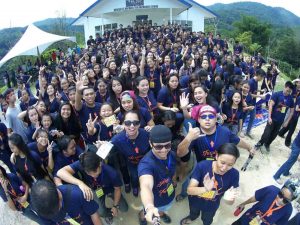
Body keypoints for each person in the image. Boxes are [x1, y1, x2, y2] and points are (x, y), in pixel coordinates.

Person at [176, 104, 254, 201]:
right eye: (203, 116)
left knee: (217, 185)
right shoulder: (194, 134)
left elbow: (238, 141)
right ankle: (184, 194)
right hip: (202, 166)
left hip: (220, 166)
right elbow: (179, 153)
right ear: (199, 119)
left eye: (211, 116)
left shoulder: (225, 132)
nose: (207, 119)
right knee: (191, 181)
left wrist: (249, 147)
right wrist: (188, 138)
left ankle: (214, 197)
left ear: (216, 118)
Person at [57, 151, 128, 224]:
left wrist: (115, 206)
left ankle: (113, 206)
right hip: (97, 190)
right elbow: (60, 172)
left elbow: (117, 189)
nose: (92, 175)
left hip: (111, 189)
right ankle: (109, 214)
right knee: (101, 212)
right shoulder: (84, 163)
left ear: (100, 163)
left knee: (124, 208)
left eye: (95, 171)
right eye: (88, 172)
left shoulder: (112, 173)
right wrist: (80, 183)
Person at [180, 143, 240, 225]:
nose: (224, 168)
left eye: (230, 165)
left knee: (207, 219)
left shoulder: (234, 174)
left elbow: (230, 203)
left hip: (212, 205)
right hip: (195, 200)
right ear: (216, 156)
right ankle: (192, 217)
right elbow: (189, 190)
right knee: (193, 212)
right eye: (222, 162)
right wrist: (205, 189)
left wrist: (229, 199)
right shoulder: (202, 166)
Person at [138, 125, 176, 225]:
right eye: (158, 146)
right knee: (148, 211)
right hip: (155, 201)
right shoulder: (146, 164)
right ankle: (142, 217)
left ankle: (161, 214)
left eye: (167, 145)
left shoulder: (171, 154)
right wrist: (150, 207)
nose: (163, 150)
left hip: (169, 194)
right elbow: (146, 185)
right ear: (151, 144)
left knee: (162, 209)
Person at [30, 179, 103, 225]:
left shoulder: (78, 194)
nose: (57, 213)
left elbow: (94, 214)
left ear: (59, 194)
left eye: (57, 208)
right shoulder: (40, 206)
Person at [232, 178, 300, 225]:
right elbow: (255, 198)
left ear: (291, 201)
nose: (280, 200)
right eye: (280, 194)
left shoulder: (288, 210)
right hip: (246, 219)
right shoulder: (271, 190)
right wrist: (243, 204)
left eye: (285, 200)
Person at [255, 81, 294, 152]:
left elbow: (292, 112)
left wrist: (286, 122)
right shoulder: (277, 94)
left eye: (290, 91)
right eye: (287, 90)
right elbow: (270, 105)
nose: (288, 92)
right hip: (272, 118)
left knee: (274, 135)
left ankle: (267, 144)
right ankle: (260, 143)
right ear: (284, 87)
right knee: (267, 133)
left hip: (280, 121)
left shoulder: (290, 99)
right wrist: (269, 117)